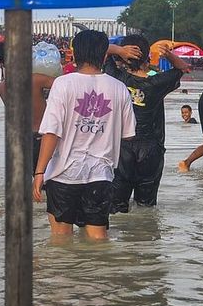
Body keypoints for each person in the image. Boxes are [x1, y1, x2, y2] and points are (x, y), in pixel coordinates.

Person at [33, 30, 135, 240]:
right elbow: (128, 135)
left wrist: (39, 172)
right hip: (101, 175)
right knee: (98, 237)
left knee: (61, 239)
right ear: (104, 56)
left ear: (74, 54)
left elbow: (52, 131)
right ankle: (100, 272)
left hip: (64, 174)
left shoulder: (63, 84)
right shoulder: (120, 88)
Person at [105, 36, 190, 213]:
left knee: (117, 206)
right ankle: (145, 238)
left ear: (124, 59)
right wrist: (169, 55)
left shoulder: (116, 79)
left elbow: (101, 51)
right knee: (146, 207)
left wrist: (119, 51)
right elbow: (183, 68)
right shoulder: (157, 82)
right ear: (147, 58)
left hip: (122, 148)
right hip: (151, 149)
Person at [0, 41, 60, 175]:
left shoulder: (3, 87)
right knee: (48, 183)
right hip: (42, 138)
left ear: (2, 63)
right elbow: (65, 85)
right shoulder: (36, 79)